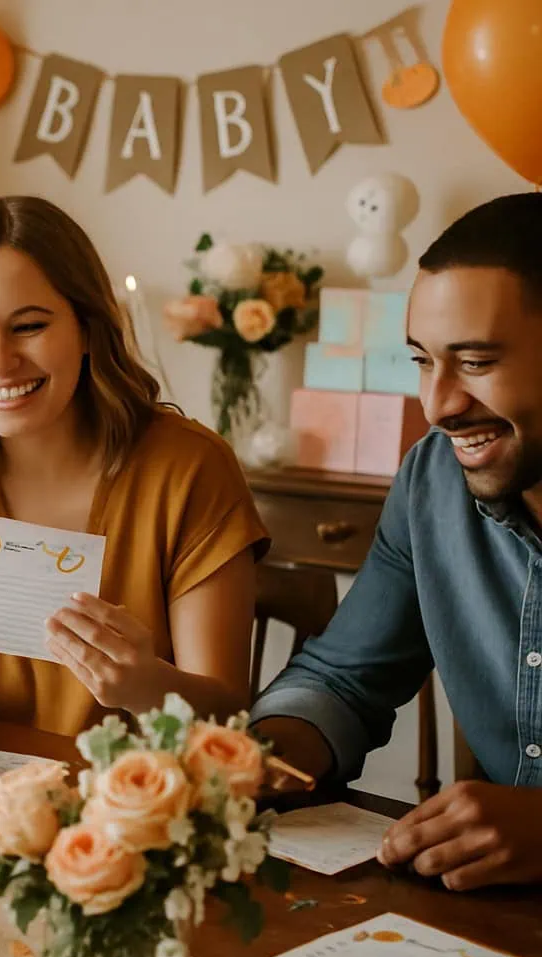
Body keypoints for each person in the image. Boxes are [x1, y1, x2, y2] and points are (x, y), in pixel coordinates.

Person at [0, 195, 268, 780]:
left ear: (86, 327)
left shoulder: (189, 470)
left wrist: (145, 684)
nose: (0, 362)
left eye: (29, 326)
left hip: (141, 806)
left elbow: (226, 713)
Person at [252, 192, 542, 892]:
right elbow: (345, 679)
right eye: (421, 361)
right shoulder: (431, 482)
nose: (438, 404)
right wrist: (256, 758)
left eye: (474, 363)